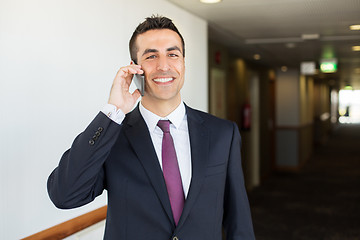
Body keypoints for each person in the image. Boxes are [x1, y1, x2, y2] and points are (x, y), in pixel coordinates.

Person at [47, 15, 255, 240]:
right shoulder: (113, 136)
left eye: (172, 54)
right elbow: (65, 195)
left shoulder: (223, 134)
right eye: (151, 56)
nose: (163, 66)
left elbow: (238, 221)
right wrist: (113, 110)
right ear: (134, 67)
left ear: (183, 63)